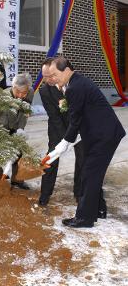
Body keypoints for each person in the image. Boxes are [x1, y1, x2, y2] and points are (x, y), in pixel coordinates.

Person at [46, 56, 125, 228]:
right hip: (98, 133)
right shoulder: (76, 82)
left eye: (54, 74)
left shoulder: (75, 87)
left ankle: (84, 218)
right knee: (92, 173)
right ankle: (98, 210)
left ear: (65, 69)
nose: (53, 78)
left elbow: (75, 120)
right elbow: (81, 117)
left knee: (89, 174)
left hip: (104, 135)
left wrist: (64, 143)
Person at [38, 58, 84, 206]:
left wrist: (74, 134)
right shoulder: (44, 90)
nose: (47, 79)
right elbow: (54, 116)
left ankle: (79, 193)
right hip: (57, 128)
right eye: (44, 76)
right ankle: (44, 195)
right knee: (51, 158)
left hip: (79, 127)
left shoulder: (73, 83)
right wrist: (66, 140)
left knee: (83, 158)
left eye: (50, 75)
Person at [0, 73, 34, 189]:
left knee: (19, 152)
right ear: (13, 87)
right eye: (18, 92)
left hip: (16, 125)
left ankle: (17, 180)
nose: (21, 95)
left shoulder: (30, 92)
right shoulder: (2, 98)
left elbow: (25, 112)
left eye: (23, 92)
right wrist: (8, 140)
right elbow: (1, 122)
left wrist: (20, 129)